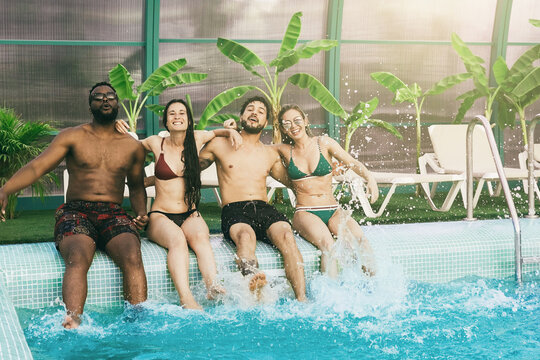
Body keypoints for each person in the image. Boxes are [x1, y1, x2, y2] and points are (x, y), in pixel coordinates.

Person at [0, 82, 148, 329]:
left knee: (132, 254)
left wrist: (141, 212)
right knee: (78, 257)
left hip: (113, 212)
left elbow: (135, 186)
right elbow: (38, 166)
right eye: (98, 97)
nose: (105, 100)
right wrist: (5, 189)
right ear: (90, 105)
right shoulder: (72, 136)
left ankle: (138, 322)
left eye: (110, 96)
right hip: (76, 212)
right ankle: (73, 320)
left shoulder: (131, 146)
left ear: (117, 103)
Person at [116, 98, 242, 310]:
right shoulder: (157, 142)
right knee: (177, 241)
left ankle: (212, 285)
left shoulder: (197, 137)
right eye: (172, 113)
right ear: (166, 121)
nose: (177, 116)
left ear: (189, 120)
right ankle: (186, 298)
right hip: (161, 215)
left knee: (201, 238)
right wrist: (116, 127)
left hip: (190, 213)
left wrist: (232, 131)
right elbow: (130, 146)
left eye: (182, 113)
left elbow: (219, 132)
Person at [199, 96, 307, 301]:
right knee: (245, 236)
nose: (254, 112)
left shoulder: (269, 153)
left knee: (286, 235)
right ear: (241, 117)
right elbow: (191, 166)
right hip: (235, 209)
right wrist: (222, 131)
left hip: (263, 207)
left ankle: (302, 298)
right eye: (250, 109)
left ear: (265, 123)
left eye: (260, 111)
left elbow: (295, 183)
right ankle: (253, 280)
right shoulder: (219, 144)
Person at [274, 104, 378, 277]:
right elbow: (254, 149)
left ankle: (372, 289)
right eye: (287, 123)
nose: (293, 126)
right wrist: (231, 131)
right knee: (329, 246)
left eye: (297, 120)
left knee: (360, 241)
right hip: (306, 212)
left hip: (333, 210)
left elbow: (352, 162)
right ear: (283, 129)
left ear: (306, 121)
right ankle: (331, 297)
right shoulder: (283, 150)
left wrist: (370, 179)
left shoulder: (324, 143)